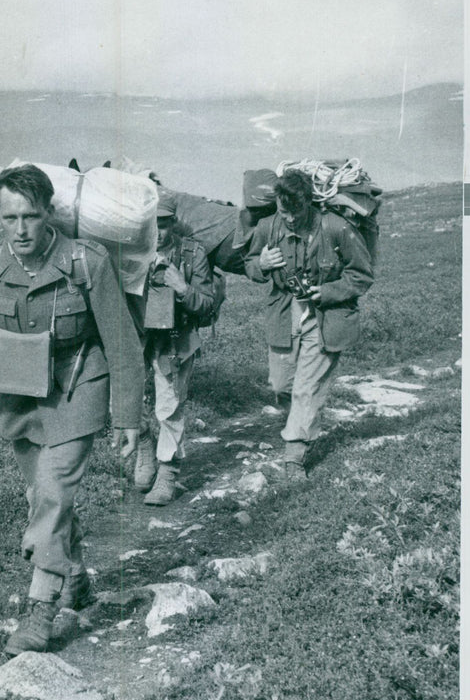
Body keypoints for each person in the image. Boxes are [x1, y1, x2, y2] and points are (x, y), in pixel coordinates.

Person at [0, 164, 144, 655]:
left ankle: (40, 609)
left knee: (52, 488)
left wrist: (128, 417)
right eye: (9, 217)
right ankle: (77, 580)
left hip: (77, 385)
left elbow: (123, 343)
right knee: (41, 495)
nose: (20, 230)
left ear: (50, 214)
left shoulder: (88, 261)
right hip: (18, 391)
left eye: (31, 216)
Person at [244, 169, 374, 480]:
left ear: (309, 203)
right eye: (282, 210)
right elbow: (249, 264)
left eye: (295, 211)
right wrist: (260, 264)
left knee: (306, 387)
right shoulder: (267, 227)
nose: (288, 218)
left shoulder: (335, 227)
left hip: (326, 317)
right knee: (281, 385)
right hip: (284, 314)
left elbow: (362, 274)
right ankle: (301, 427)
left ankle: (294, 458)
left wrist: (328, 291)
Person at [133, 195, 219, 506]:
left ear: (174, 223)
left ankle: (167, 471)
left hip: (175, 338)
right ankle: (144, 448)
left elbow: (207, 305)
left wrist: (182, 288)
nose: (159, 231)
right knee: (123, 399)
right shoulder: (131, 250)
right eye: (153, 224)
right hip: (137, 336)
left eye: (165, 223)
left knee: (169, 406)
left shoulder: (192, 253)